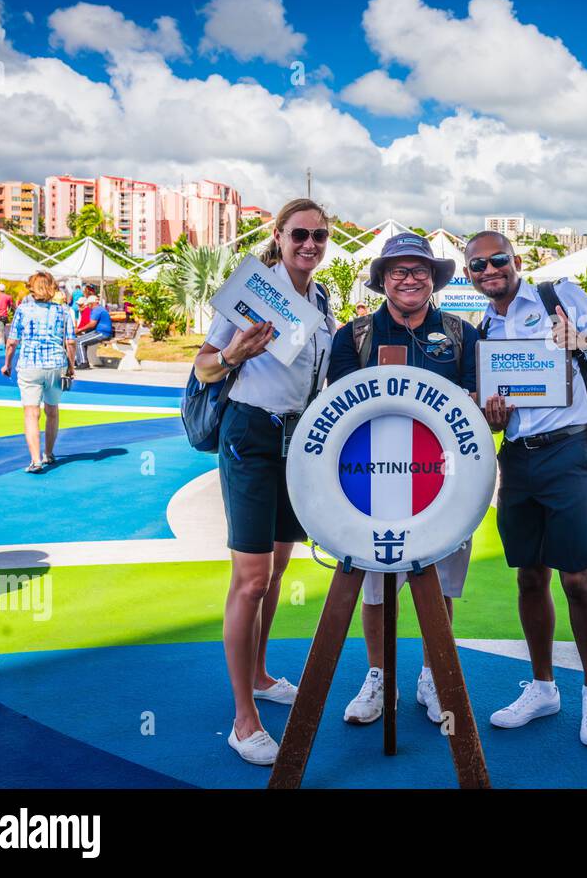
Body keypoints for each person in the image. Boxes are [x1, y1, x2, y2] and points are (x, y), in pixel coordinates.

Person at [467, 231, 587, 747]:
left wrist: (580, 341)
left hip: (569, 452)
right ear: (470, 276)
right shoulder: (483, 328)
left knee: (579, 581)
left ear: (515, 261)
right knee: (529, 579)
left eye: (497, 260)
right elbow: (494, 410)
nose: (489, 270)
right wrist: (491, 414)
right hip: (517, 458)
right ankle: (543, 687)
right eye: (477, 265)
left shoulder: (555, 296)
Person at [191, 198, 337, 766]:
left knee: (276, 570)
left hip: (295, 439)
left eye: (319, 236)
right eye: (299, 234)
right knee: (250, 579)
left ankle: (258, 674)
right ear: (278, 236)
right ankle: (242, 720)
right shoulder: (251, 288)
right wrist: (232, 353)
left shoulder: (320, 300)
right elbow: (203, 367)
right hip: (250, 434)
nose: (309, 244)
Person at [326, 234, 482, 727]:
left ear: (433, 278)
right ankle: (378, 677)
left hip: (445, 483)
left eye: (419, 270)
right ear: (383, 280)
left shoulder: (462, 334)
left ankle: (433, 673)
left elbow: (483, 407)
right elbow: (337, 412)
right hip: (373, 483)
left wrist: (490, 405)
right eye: (398, 270)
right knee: (375, 583)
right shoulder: (353, 337)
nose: (409, 278)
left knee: (441, 586)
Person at [0, 271, 76, 472]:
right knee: (52, 410)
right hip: (56, 365)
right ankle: (49, 454)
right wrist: (71, 366)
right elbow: (70, 343)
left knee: (31, 413)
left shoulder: (23, 310)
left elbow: (12, 342)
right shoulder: (64, 311)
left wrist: (7, 364)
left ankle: (35, 460)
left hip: (30, 365)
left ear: (32, 287)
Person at [73, 294, 114, 369]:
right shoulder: (99, 308)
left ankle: (83, 363)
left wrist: (79, 330)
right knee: (79, 340)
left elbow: (92, 324)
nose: (88, 306)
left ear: (91, 304)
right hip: (100, 331)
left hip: (103, 333)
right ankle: (82, 361)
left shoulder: (96, 310)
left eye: (88, 304)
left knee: (79, 341)